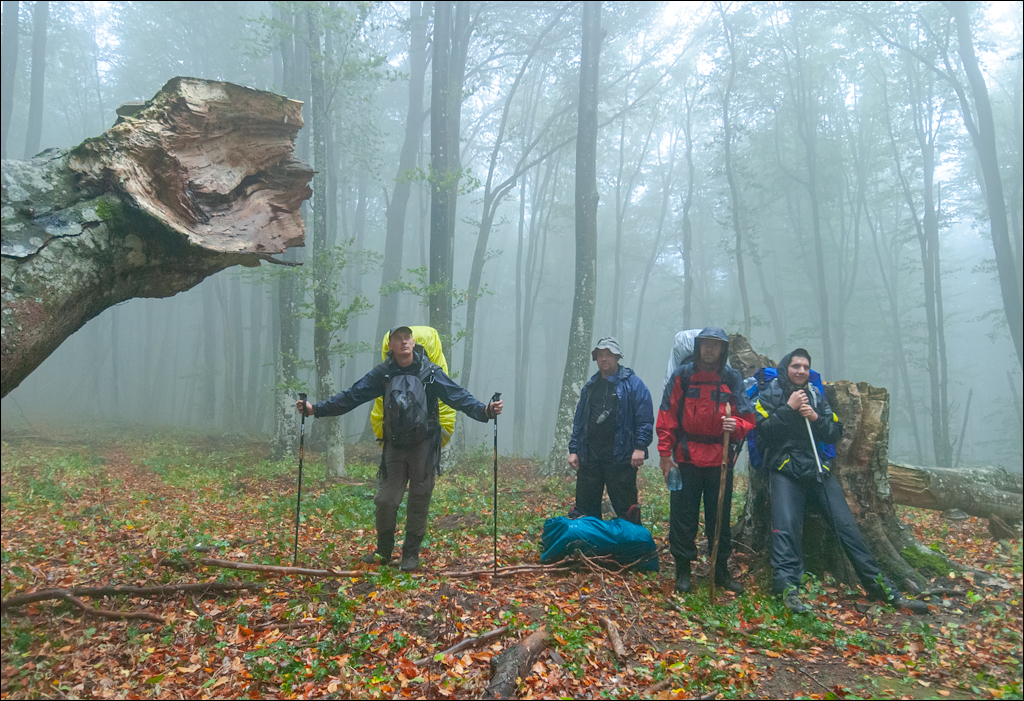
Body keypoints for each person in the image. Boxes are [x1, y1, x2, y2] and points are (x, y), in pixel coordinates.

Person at [297, 325, 502, 572]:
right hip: (393, 447)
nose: (404, 342)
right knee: (385, 500)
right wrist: (316, 409)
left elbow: (457, 396)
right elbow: (352, 396)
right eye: (398, 339)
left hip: (424, 446)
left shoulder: (431, 373)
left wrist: (485, 411)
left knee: (419, 499)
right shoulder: (383, 374)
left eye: (407, 338)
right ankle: (384, 551)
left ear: (414, 343)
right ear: (390, 345)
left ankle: (411, 555)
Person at [755, 348, 928, 614]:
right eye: (795, 366)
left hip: (817, 472)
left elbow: (835, 432)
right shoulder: (771, 394)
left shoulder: (816, 395)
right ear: (785, 368)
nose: (801, 371)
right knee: (786, 529)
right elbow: (761, 434)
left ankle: (883, 590)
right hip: (784, 471)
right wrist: (789, 410)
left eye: (805, 366)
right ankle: (787, 590)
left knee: (848, 528)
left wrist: (814, 416)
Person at [657, 327, 753, 594]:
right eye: (705, 344)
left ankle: (720, 570)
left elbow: (747, 417)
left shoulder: (732, 379)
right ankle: (683, 571)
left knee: (719, 518)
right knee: (683, 516)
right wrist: (665, 454)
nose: (709, 350)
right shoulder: (682, 376)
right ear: (698, 347)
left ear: (723, 349)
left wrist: (737, 425)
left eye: (715, 345)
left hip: (720, 460)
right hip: (686, 459)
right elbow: (667, 416)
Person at [568, 337, 654, 524]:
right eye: (600, 355)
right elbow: (579, 422)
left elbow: (645, 418)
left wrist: (640, 446)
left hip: (621, 459)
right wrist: (574, 450)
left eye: (608, 355)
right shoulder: (590, 387)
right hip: (590, 458)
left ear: (617, 358)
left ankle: (630, 550)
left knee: (627, 510)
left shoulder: (633, 384)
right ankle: (590, 548)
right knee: (586, 511)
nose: (604, 359)